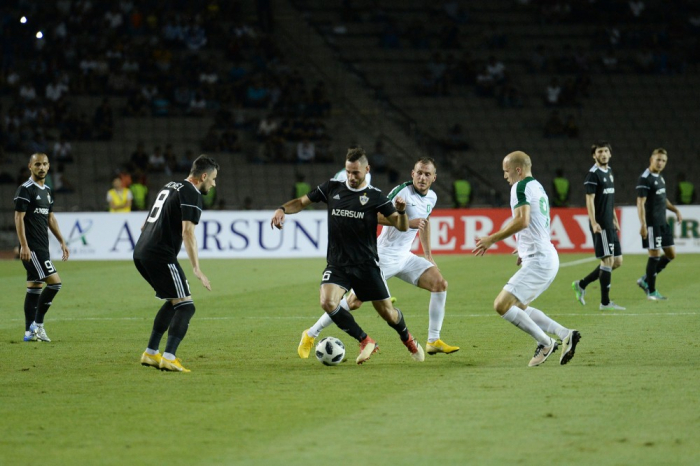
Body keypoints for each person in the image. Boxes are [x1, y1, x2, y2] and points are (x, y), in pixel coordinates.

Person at [271, 147, 424, 364]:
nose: (352, 177)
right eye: (348, 172)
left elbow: (400, 226)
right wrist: (281, 210)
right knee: (327, 301)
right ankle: (365, 340)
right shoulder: (332, 188)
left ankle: (408, 339)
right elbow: (302, 202)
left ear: (367, 170)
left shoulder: (375, 197)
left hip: (367, 266)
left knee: (389, 314)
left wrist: (400, 211)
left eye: (356, 173)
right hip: (338, 264)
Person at [297, 158, 459, 359]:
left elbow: (424, 223)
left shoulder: (431, 197)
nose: (422, 177)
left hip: (405, 257)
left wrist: (428, 255)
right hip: (382, 256)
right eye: (419, 173)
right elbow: (374, 214)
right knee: (353, 302)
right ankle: (311, 333)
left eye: (427, 174)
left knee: (440, 284)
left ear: (434, 177)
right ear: (412, 173)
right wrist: (407, 221)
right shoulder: (402, 193)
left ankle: (433, 340)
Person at [473, 151, 580, 367]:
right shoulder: (537, 186)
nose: (505, 176)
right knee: (519, 307)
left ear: (518, 170)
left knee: (501, 305)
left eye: (506, 171)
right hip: (544, 256)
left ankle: (546, 342)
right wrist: (523, 248)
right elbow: (535, 223)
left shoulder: (519, 187)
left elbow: (522, 221)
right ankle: (565, 333)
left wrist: (492, 239)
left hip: (540, 259)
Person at [134, 155, 219, 372]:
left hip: (141, 251)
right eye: (213, 179)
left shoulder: (170, 186)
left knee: (174, 302)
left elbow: (145, 224)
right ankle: (169, 357)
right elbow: (188, 232)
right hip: (160, 254)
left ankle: (151, 353)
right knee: (186, 306)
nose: (214, 184)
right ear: (204, 176)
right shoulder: (191, 192)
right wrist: (197, 269)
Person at [14, 153, 70, 342]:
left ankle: (29, 333)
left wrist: (62, 240)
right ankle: (37, 325)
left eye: (45, 164)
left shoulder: (47, 190)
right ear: (30, 166)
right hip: (32, 248)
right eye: (37, 164)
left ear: (49, 166)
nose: (42, 167)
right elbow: (18, 217)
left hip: (42, 247)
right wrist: (24, 245)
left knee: (34, 287)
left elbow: (50, 218)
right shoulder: (25, 189)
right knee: (55, 283)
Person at [572, 141, 626, 311]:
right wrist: (594, 222)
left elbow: (609, 199)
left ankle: (581, 284)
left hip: (610, 222)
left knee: (617, 261)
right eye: (599, 151)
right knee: (607, 260)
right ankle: (605, 303)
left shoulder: (609, 172)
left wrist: (615, 218)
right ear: (594, 155)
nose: (603, 154)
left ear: (610, 154)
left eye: (605, 151)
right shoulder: (592, 175)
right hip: (600, 224)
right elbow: (589, 200)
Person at [635, 148, 682, 300]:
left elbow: (663, 199)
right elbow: (640, 203)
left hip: (663, 222)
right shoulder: (645, 179)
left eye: (663, 160)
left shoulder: (660, 178)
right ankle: (652, 291)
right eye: (658, 160)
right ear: (651, 159)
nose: (661, 163)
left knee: (671, 254)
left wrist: (675, 210)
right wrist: (643, 224)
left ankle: (645, 279)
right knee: (654, 254)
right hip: (652, 223)